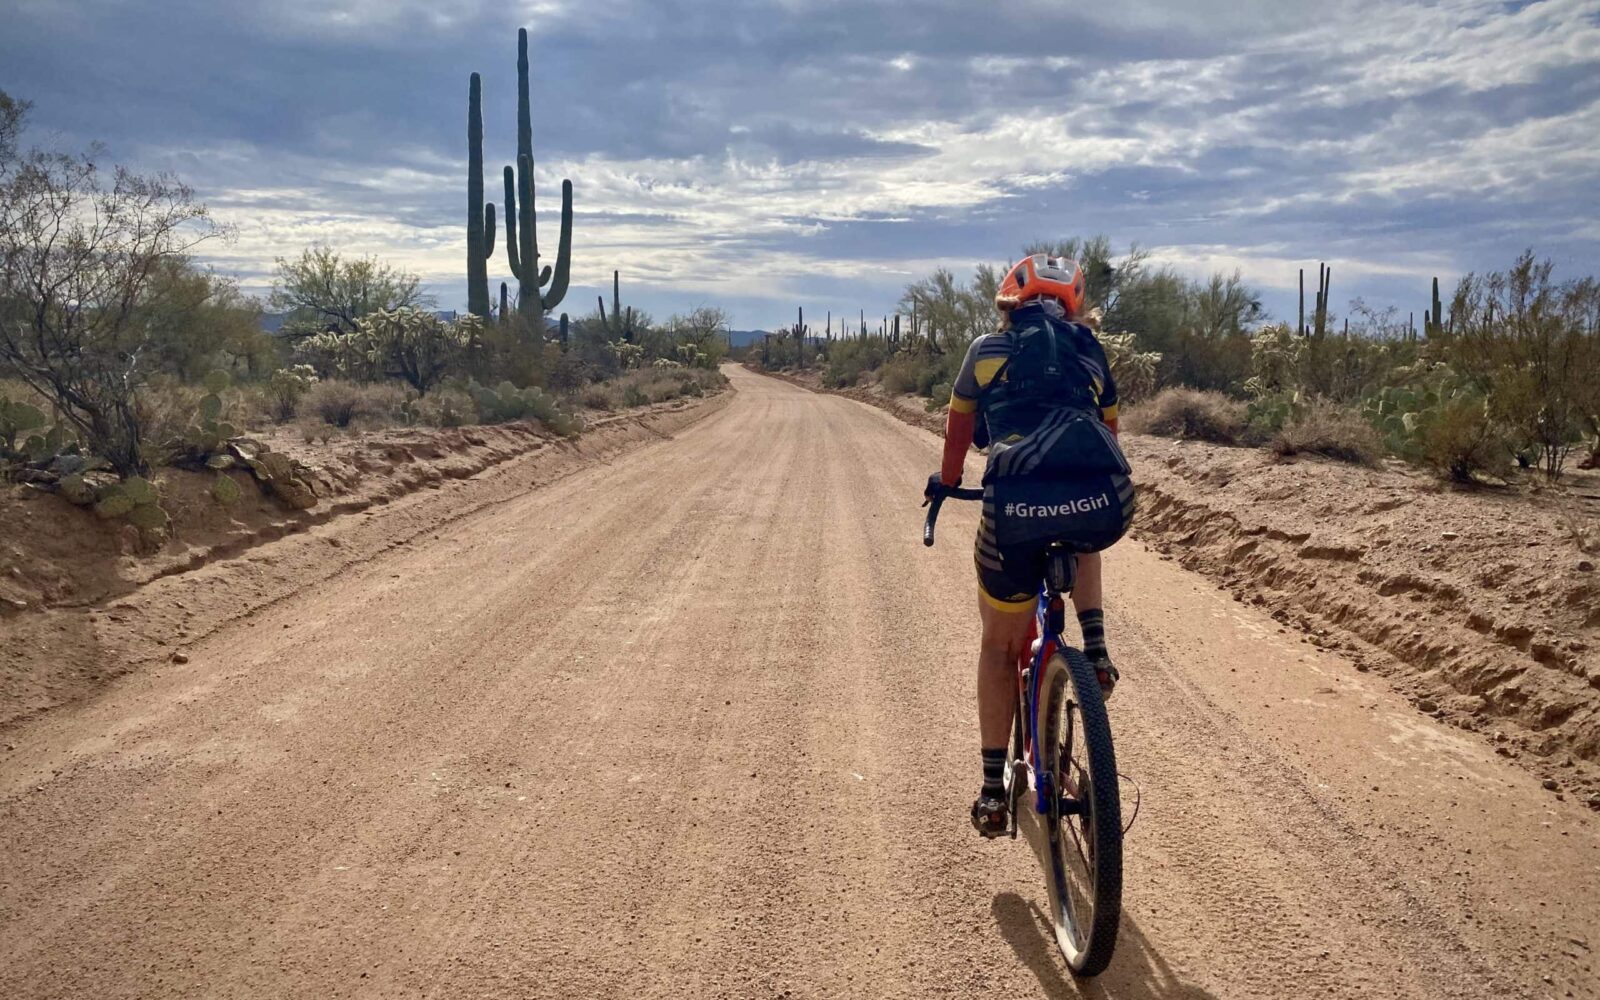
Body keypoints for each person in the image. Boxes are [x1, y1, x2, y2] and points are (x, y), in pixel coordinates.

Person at [924, 254, 1134, 838]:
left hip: (1010, 512)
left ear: (1010, 300)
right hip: (1095, 506)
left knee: (999, 645)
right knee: (1083, 510)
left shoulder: (986, 351)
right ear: (1073, 304)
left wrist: (948, 481)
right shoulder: (1091, 351)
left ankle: (993, 790)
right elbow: (1109, 436)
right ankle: (1094, 649)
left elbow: (959, 426)